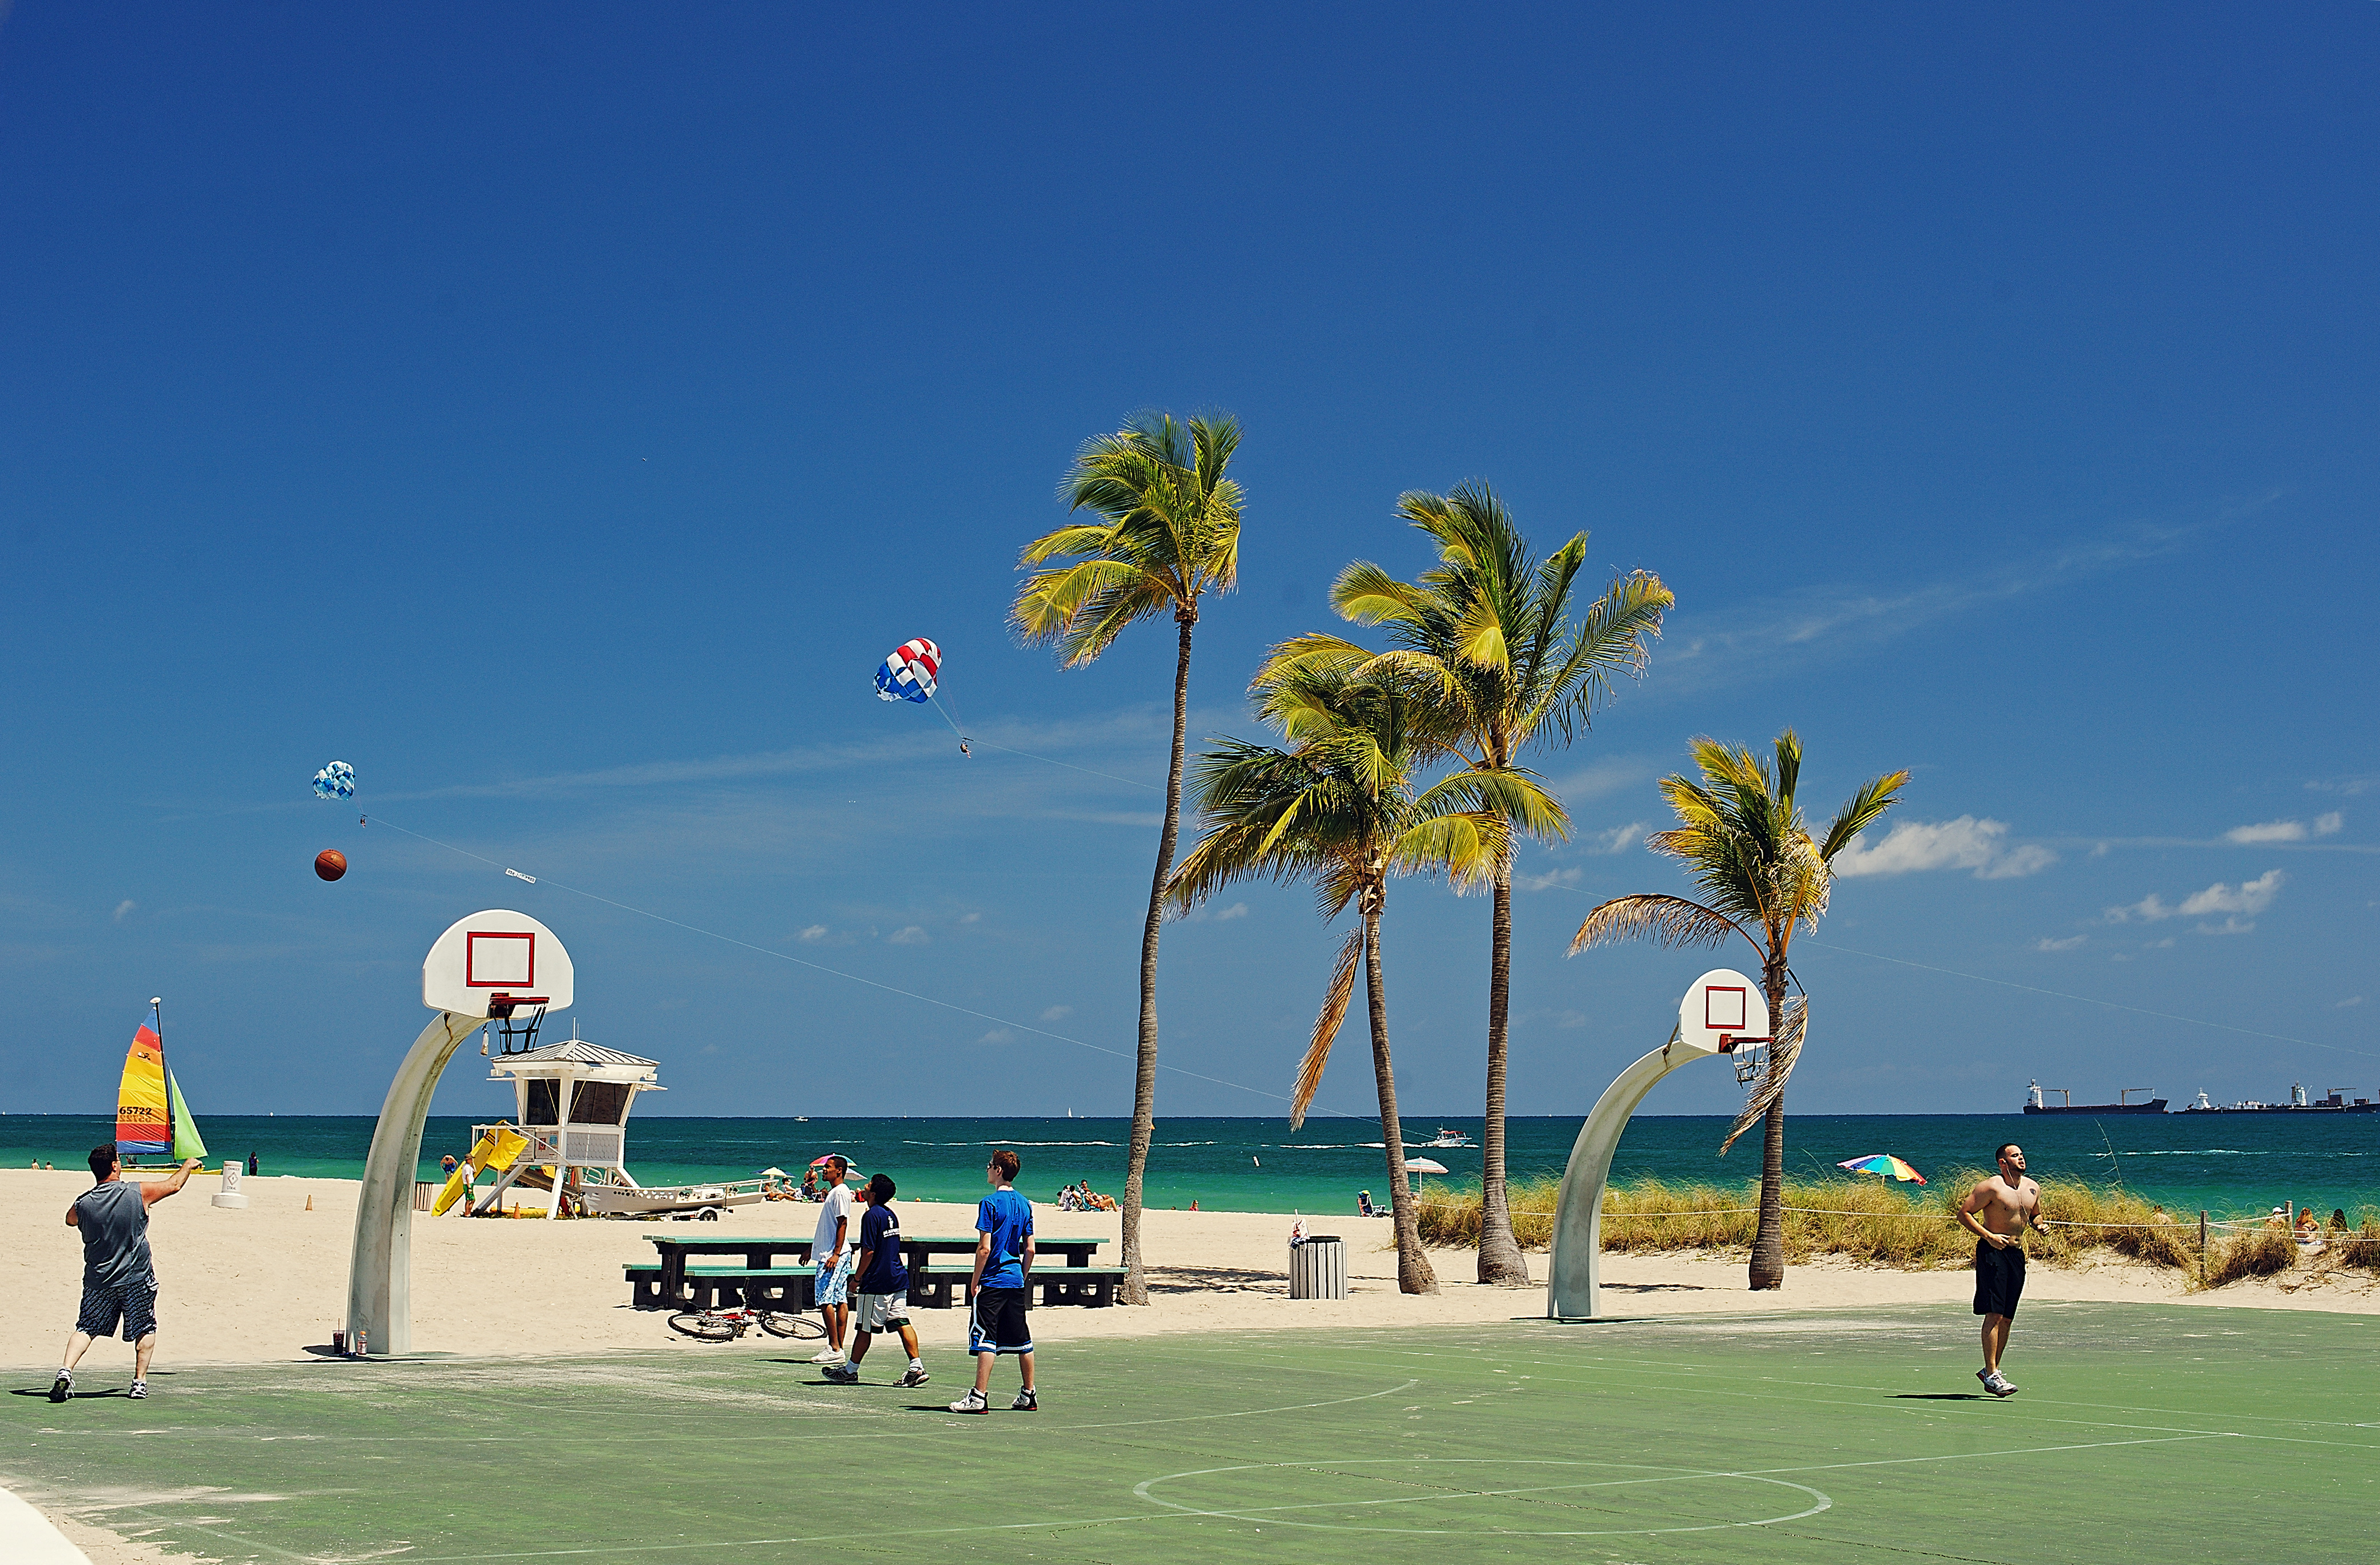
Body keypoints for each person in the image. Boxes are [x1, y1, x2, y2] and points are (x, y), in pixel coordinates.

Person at [51, 1144, 201, 1403]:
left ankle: (66, 1371)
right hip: (136, 1278)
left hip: (99, 1280)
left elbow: (70, 1220)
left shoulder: (84, 1202)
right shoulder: (137, 1192)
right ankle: (139, 1382)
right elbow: (173, 1185)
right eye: (118, 1160)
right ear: (113, 1166)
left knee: (86, 1327)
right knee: (145, 1327)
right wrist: (187, 1166)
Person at [949, 1149, 1036, 1414]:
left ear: (998, 1170)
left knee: (986, 1338)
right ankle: (1029, 1394)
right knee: (1022, 1339)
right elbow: (1030, 1248)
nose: (987, 1169)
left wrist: (974, 1280)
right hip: (1015, 1280)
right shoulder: (1025, 1203)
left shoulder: (989, 1203)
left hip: (993, 1281)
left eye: (990, 1165)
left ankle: (978, 1396)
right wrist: (1021, 1274)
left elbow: (984, 1248)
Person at [1957, 1142, 2046, 1397]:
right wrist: (1988, 1236)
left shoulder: (2032, 1187)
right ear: (2002, 1162)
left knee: (2008, 1317)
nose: (2021, 1158)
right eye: (2014, 1155)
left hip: (2017, 1256)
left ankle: (1992, 1372)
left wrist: (2039, 1226)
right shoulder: (1991, 1187)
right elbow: (1964, 1214)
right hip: (1993, 1254)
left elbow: (2034, 1215)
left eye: (2022, 1154)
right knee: (1994, 1314)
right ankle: (1991, 1371)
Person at [826, 1174, 927, 1387]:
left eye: (868, 1185)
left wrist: (857, 1278)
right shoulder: (891, 1214)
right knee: (901, 1321)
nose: (864, 1186)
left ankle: (850, 1370)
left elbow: (868, 1252)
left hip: (878, 1282)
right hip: (897, 1278)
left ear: (873, 1193)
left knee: (865, 1327)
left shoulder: (872, 1216)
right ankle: (916, 1367)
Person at [808, 1155, 856, 1367]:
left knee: (825, 1299)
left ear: (839, 1171)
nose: (823, 1171)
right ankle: (837, 1347)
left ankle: (835, 1347)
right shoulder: (836, 1193)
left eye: (827, 1168)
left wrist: (835, 1253)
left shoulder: (839, 1193)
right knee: (839, 1298)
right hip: (832, 1252)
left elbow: (842, 1223)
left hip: (833, 1254)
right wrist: (809, 1249)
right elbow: (828, 1226)